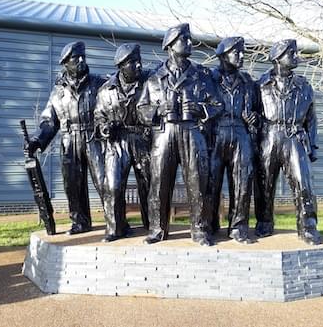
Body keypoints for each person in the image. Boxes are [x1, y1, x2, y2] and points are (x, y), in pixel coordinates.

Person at [137, 23, 221, 246]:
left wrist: (200, 109)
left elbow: (217, 104)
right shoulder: (154, 76)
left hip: (192, 132)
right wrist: (156, 110)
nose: (189, 43)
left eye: (189, 39)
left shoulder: (201, 74)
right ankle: (157, 229)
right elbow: (141, 108)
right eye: (184, 40)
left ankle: (200, 229)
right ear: (171, 45)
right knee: (159, 183)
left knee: (198, 181)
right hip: (164, 133)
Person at [25, 41, 105, 235]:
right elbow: (49, 120)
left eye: (82, 57)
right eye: (75, 58)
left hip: (92, 137)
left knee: (104, 181)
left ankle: (116, 222)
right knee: (72, 184)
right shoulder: (58, 92)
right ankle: (80, 222)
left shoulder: (98, 83)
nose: (80, 60)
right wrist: (37, 139)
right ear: (65, 63)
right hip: (69, 140)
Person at [254, 39, 321, 245]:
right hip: (269, 136)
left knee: (303, 184)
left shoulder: (304, 86)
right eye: (291, 53)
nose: (296, 57)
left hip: (294, 136)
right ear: (277, 58)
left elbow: (311, 118)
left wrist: (313, 145)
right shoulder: (260, 85)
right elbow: (253, 114)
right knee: (264, 184)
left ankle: (308, 226)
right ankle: (264, 222)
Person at [94, 43, 151, 241]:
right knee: (114, 185)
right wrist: (104, 127)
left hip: (142, 139)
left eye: (139, 62)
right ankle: (115, 229)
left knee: (149, 183)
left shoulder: (149, 83)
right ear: (121, 65)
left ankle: (152, 225)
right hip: (116, 142)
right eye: (133, 63)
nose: (138, 66)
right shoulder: (106, 90)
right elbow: (98, 116)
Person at [209, 37, 259, 243]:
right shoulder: (209, 78)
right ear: (223, 55)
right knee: (211, 183)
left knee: (242, 183)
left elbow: (259, 110)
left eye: (242, 52)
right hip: (216, 133)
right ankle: (210, 225)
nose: (241, 56)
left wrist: (253, 119)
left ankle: (238, 227)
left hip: (241, 133)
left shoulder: (248, 82)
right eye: (236, 52)